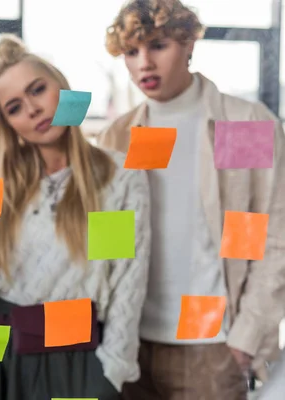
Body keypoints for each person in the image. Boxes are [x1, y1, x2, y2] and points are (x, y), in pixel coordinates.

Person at [0, 35, 151, 400]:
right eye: (14, 107)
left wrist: (111, 372)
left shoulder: (118, 178)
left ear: (61, 88)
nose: (32, 109)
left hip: (73, 356)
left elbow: (126, 281)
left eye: (38, 90)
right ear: (8, 124)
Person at [99, 1, 285, 399]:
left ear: (188, 44)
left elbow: (270, 238)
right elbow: (106, 245)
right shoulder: (118, 135)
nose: (144, 63)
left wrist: (244, 339)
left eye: (158, 46)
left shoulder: (240, 124)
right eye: (132, 52)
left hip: (212, 346)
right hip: (129, 343)